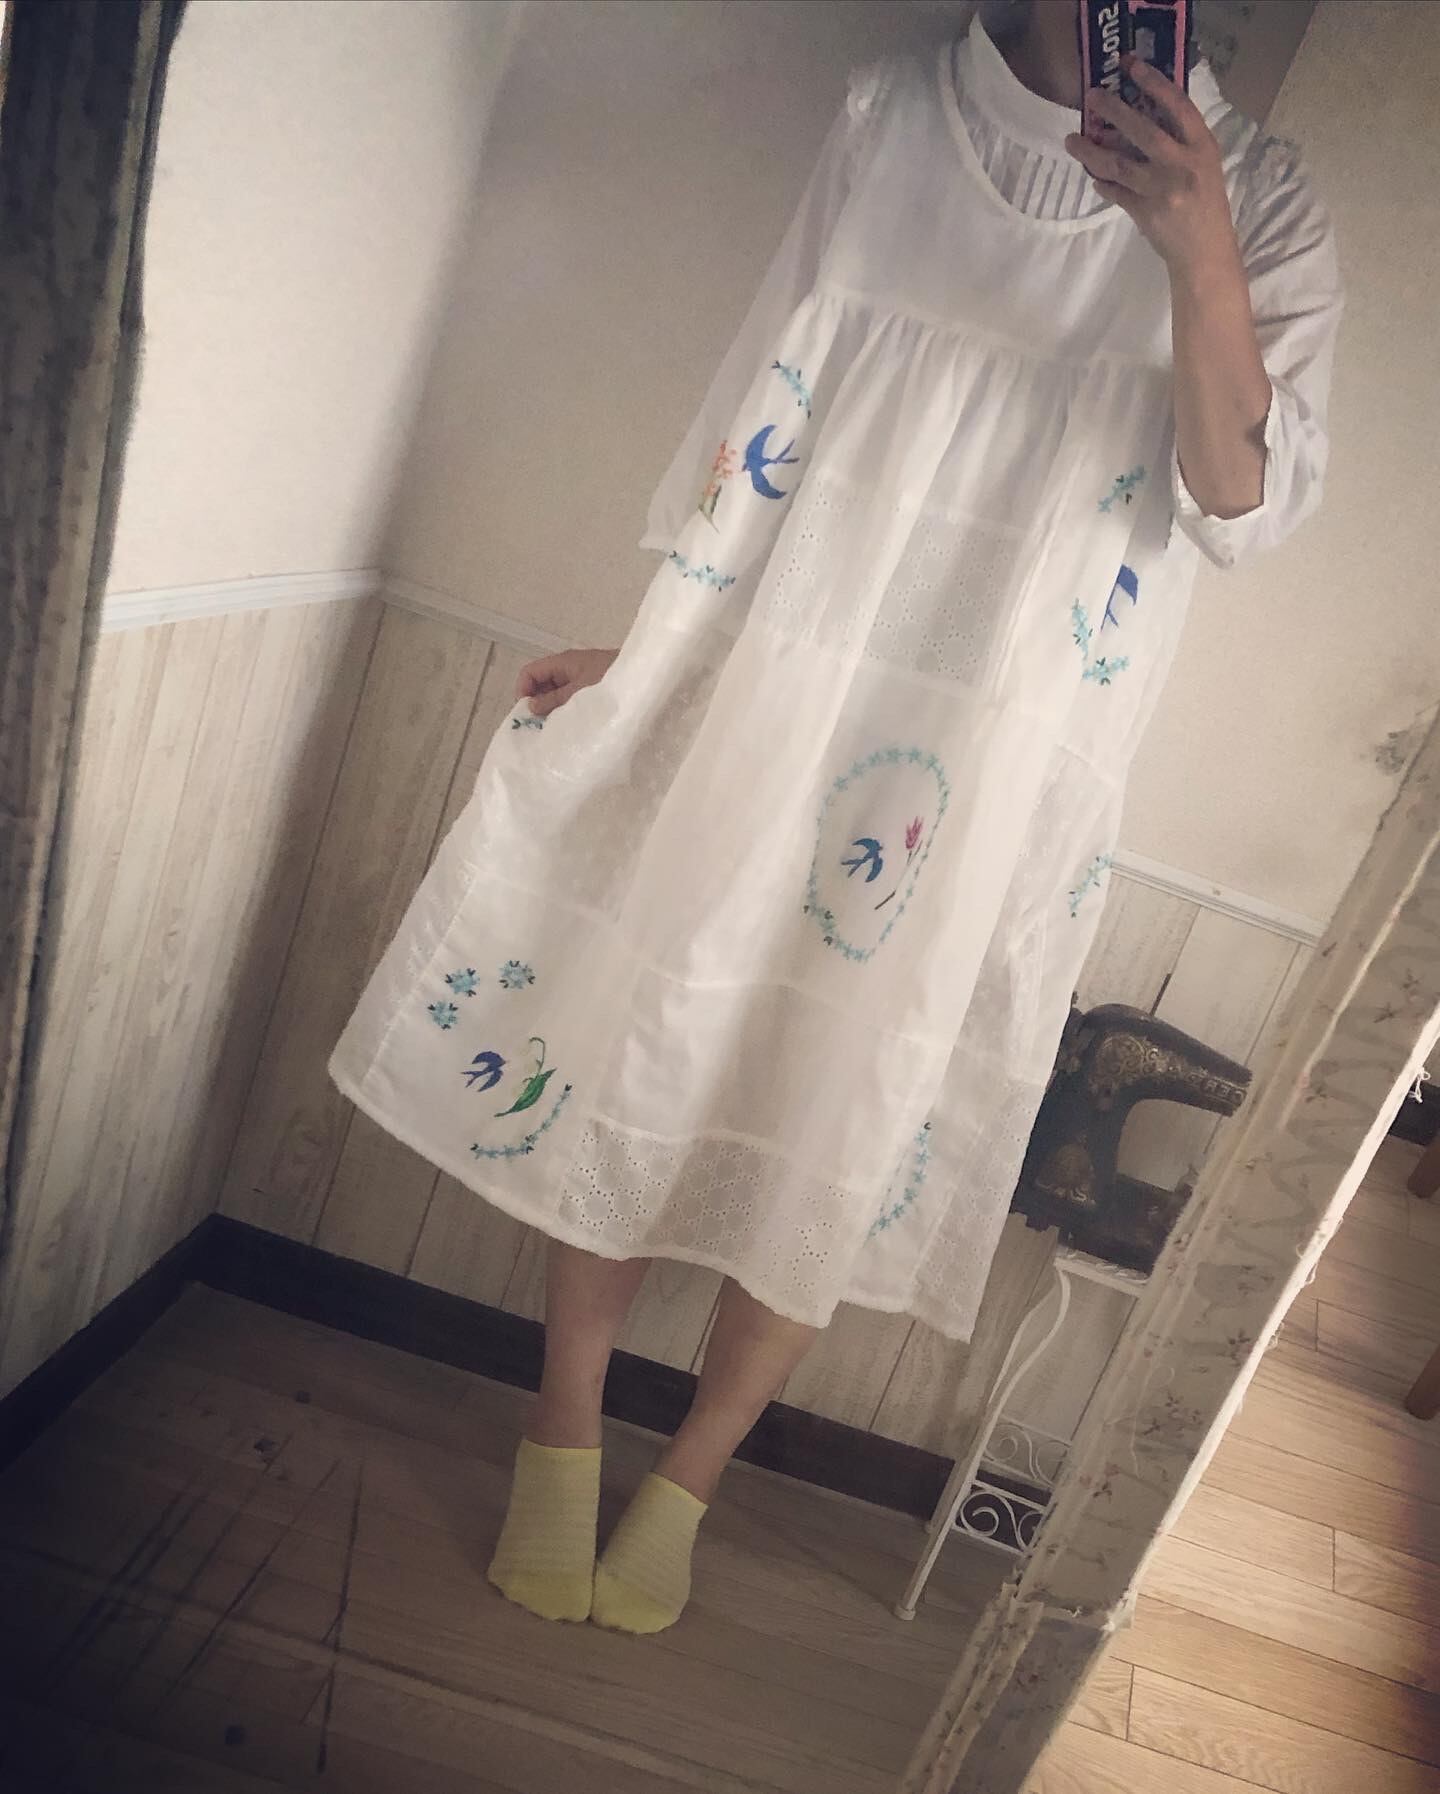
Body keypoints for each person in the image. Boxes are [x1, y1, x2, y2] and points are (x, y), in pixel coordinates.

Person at [329, 0, 1341, 1634]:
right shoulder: (893, 121)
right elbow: (760, 420)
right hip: (780, 702)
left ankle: (690, 1480)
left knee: (844, 1122)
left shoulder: (1268, 204)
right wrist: (662, 655)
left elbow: (1243, 507)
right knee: (644, 1044)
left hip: (991, 773)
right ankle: (563, 1431)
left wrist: (1199, 251)